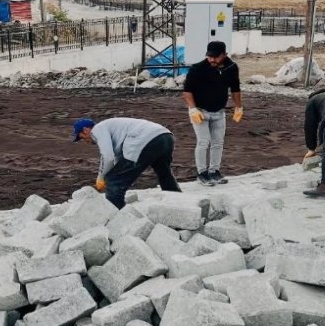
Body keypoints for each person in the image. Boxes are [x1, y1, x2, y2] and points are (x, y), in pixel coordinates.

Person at [73, 117, 181, 209]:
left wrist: (101, 177)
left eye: (82, 137)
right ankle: (179, 206)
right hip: (165, 137)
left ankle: (119, 218)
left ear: (86, 130)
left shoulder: (97, 130)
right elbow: (119, 159)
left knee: (114, 180)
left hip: (144, 140)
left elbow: (107, 156)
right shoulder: (114, 128)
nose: (85, 141)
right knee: (164, 174)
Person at [183, 41, 243, 186]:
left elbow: (235, 89)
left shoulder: (231, 68)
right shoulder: (198, 68)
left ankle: (214, 171)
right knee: (203, 141)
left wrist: (238, 107)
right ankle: (202, 173)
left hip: (219, 112)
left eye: (215, 57)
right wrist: (192, 109)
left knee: (218, 142)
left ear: (224, 55)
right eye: (209, 57)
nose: (212, 60)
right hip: (200, 112)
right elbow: (187, 91)